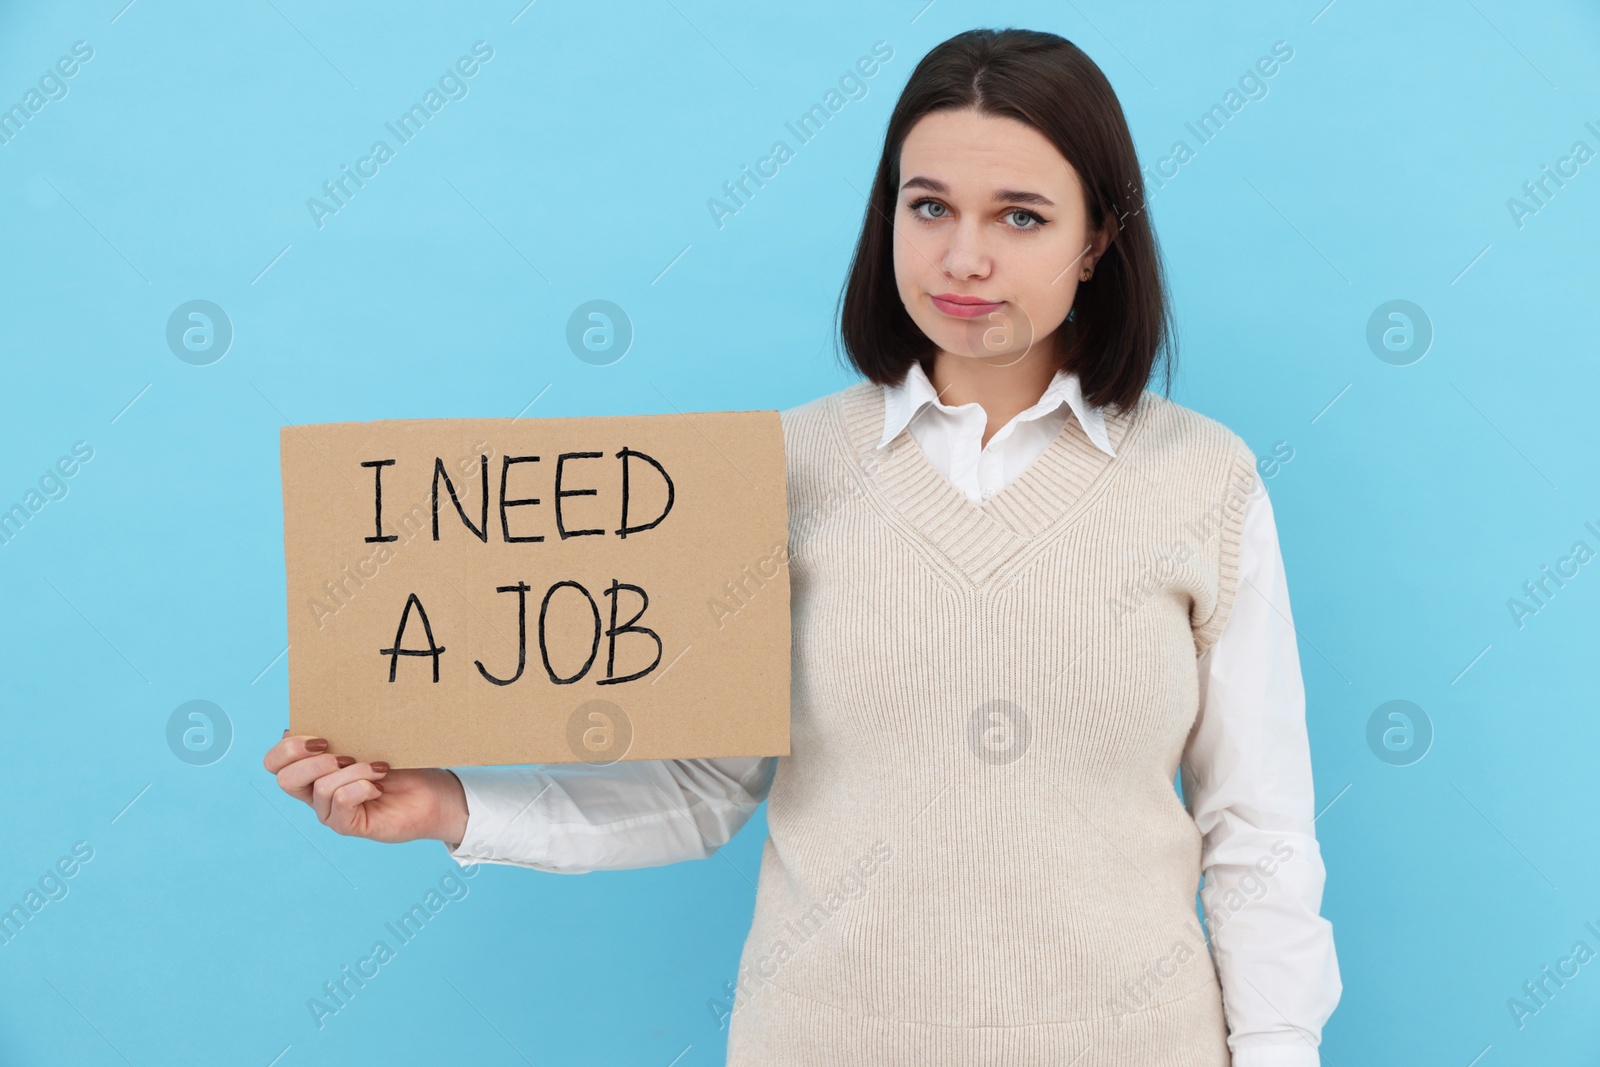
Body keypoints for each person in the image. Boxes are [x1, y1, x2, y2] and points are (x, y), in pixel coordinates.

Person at [264, 27, 1340, 1065]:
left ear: (1098, 237)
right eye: (929, 208)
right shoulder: (774, 472)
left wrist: (1280, 1050)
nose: (962, 256)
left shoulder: (1205, 480)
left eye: (1019, 216)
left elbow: (1258, 832)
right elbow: (700, 787)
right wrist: (452, 803)